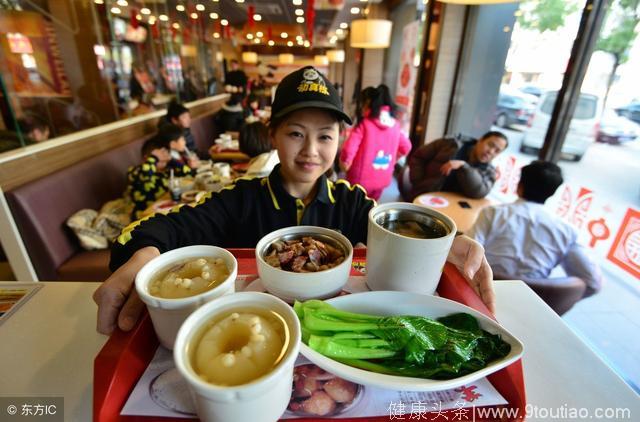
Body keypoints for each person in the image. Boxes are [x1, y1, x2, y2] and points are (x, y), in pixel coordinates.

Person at [93, 66, 496, 335]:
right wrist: (143, 255)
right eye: (296, 133)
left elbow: (394, 229)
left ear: (339, 140)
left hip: (329, 328)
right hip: (251, 323)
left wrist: (447, 242)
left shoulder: (351, 201)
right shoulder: (239, 198)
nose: (311, 151)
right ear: (273, 135)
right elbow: (157, 227)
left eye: (325, 136)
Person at [468, 161, 602, 297]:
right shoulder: (567, 231)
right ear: (552, 193)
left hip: (480, 293)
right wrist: (556, 299)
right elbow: (593, 283)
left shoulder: (493, 213)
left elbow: (468, 255)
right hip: (532, 302)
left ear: (519, 186)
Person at [339, 85, 412, 200]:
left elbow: (348, 150)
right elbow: (406, 146)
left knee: (354, 209)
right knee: (372, 206)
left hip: (359, 180)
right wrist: (393, 159)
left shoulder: (364, 124)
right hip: (383, 178)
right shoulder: (395, 125)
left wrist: (344, 163)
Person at [402, 131, 508, 201]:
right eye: (490, 145)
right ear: (480, 140)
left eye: (497, 151)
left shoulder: (489, 171)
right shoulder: (451, 143)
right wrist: (417, 181)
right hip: (423, 197)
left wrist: (464, 167)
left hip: (451, 209)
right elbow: (419, 157)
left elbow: (479, 192)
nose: (491, 151)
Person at [125, 136, 172, 219]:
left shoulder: (164, 171)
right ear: (147, 158)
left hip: (163, 209)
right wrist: (154, 158)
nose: (164, 160)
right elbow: (146, 182)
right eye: (160, 157)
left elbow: (188, 174)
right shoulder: (135, 172)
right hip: (143, 215)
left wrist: (173, 161)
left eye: (165, 153)